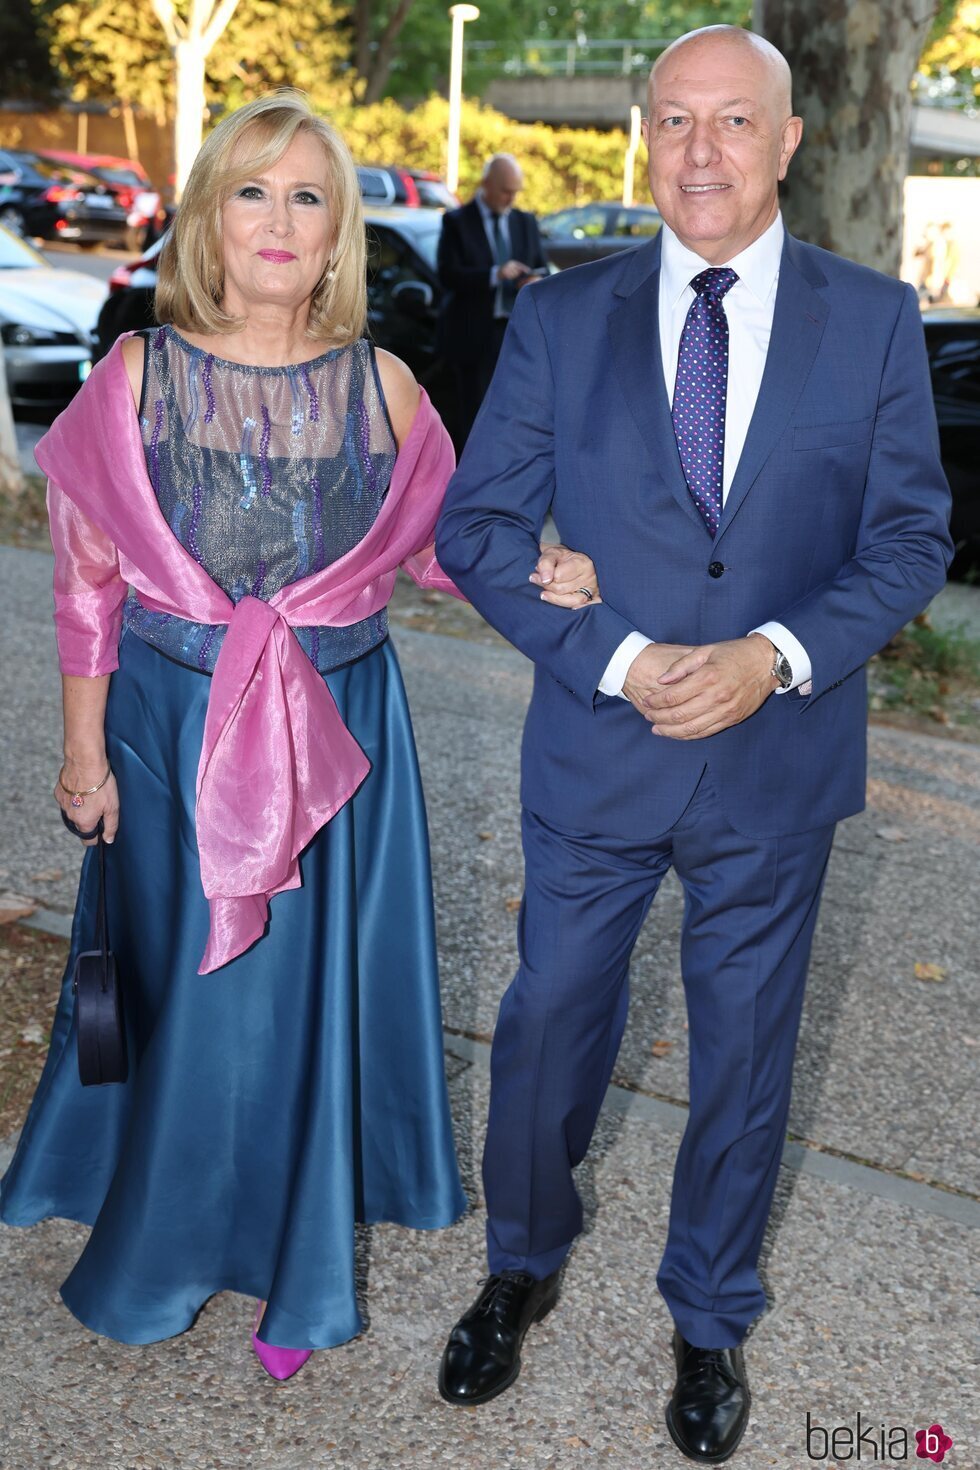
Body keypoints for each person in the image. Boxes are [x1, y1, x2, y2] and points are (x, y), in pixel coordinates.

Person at [0, 91, 600, 1382]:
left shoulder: (384, 387)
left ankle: (296, 1262)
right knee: (197, 997)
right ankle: (160, 1238)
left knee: (298, 1001)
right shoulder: (135, 376)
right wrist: (82, 751)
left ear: (339, 239)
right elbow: (86, 582)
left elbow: (447, 546)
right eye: (252, 192)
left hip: (339, 737)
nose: (279, 220)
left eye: (309, 196)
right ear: (209, 220)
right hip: (167, 735)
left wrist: (540, 565)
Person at [434, 25, 952, 1464]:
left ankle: (711, 1310)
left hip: (774, 761)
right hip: (600, 748)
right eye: (676, 121)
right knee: (548, 1024)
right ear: (642, 139)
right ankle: (520, 1258)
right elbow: (474, 528)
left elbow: (912, 537)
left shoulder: (874, 318)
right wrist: (618, 651)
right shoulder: (561, 317)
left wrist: (772, 657)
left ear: (790, 141)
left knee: (745, 1051)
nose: (704, 150)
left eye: (736, 121)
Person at [436, 153, 547, 449]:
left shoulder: (524, 222)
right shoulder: (457, 222)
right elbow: (447, 275)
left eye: (515, 192)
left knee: (516, 416)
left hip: (518, 334)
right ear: (486, 184)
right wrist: (495, 274)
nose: (510, 198)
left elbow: (542, 265)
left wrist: (534, 279)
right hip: (474, 335)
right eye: (505, 190)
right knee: (473, 417)